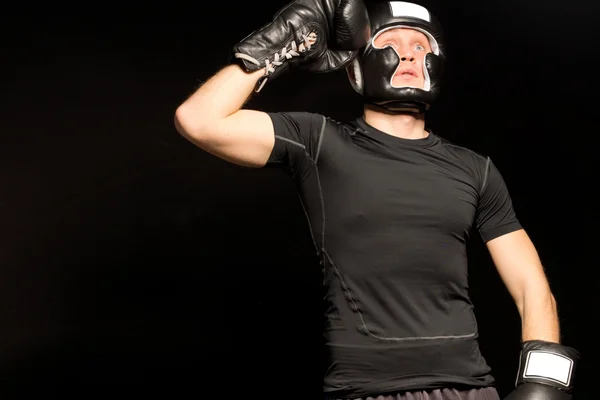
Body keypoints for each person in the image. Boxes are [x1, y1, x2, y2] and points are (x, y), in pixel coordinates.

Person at [173, 1, 580, 399]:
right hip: (367, 390)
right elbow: (199, 120)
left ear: (435, 64)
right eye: (391, 42)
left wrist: (545, 382)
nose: (408, 53)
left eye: (421, 46)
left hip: (470, 388)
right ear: (355, 68)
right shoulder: (318, 142)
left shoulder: (476, 169)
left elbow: (531, 286)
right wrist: (281, 41)